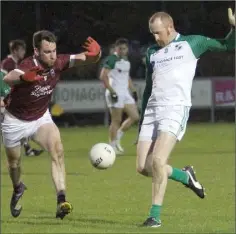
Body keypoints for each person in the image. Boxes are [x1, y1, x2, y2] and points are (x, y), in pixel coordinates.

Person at [137, 9, 235, 227]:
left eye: (158, 32)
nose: (155, 37)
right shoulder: (152, 52)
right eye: (152, 33)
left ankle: (155, 216)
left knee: (159, 161)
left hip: (175, 109)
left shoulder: (193, 43)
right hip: (152, 111)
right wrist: (143, 120)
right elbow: (148, 89)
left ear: (170, 27)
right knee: (143, 167)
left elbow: (228, 45)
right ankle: (185, 176)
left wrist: (234, 28)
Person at [2, 30, 101, 219]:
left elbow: (86, 58)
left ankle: (61, 200)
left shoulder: (59, 62)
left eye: (54, 50)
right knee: (14, 163)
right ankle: (17, 188)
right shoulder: (28, 65)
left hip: (40, 118)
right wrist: (24, 78)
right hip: (15, 121)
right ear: (37, 51)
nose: (53, 55)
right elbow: (9, 77)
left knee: (58, 150)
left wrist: (97, 54)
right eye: (47, 51)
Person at [1, 39, 43, 157]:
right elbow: (2, 80)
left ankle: (28, 149)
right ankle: (28, 149)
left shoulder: (17, 63)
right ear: (15, 51)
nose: (24, 52)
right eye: (21, 49)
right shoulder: (7, 63)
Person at [99, 38, 139, 154]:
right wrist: (111, 91)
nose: (122, 50)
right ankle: (111, 147)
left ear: (127, 49)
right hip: (114, 92)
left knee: (135, 116)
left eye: (124, 48)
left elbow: (127, 78)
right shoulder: (112, 60)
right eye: (120, 48)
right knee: (116, 120)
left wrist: (134, 91)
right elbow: (103, 76)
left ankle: (118, 138)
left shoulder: (126, 61)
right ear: (116, 49)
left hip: (125, 93)